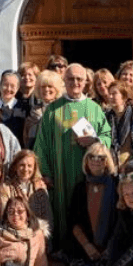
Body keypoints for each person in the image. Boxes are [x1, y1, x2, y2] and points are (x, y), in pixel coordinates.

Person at [33, 63, 112, 250]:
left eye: (79, 79)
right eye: (70, 79)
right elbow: (41, 145)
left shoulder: (95, 109)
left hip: (89, 177)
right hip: (60, 178)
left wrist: (95, 141)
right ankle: (63, 252)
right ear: (64, 81)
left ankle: (89, 251)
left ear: (86, 82)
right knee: (62, 215)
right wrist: (45, 173)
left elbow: (107, 136)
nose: (75, 82)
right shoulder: (52, 110)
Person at [66, 143, 119, 261]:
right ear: (86, 160)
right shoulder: (80, 188)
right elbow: (73, 221)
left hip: (113, 251)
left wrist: (110, 249)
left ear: (107, 161)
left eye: (101, 157)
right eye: (92, 156)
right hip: (84, 250)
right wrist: (87, 246)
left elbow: (121, 222)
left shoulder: (117, 185)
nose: (96, 160)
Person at [2, 151, 53, 233]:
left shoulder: (40, 188)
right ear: (15, 167)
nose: (26, 169)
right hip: (14, 236)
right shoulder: (6, 188)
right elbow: (4, 216)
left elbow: (47, 219)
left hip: (38, 236)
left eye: (29, 166)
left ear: (34, 168)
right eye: (22, 165)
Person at [105, 81, 133, 169]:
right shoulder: (106, 116)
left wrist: (132, 164)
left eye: (114, 93)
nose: (110, 97)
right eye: (109, 94)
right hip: (111, 165)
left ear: (124, 97)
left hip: (132, 165)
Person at [22, 70, 62, 149]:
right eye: (43, 87)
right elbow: (27, 139)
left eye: (50, 86)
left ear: (56, 89)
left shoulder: (62, 109)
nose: (46, 89)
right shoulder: (33, 112)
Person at [0, 72, 27, 143]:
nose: (8, 89)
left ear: (17, 88)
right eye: (5, 85)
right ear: (0, 85)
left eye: (12, 86)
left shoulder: (24, 108)